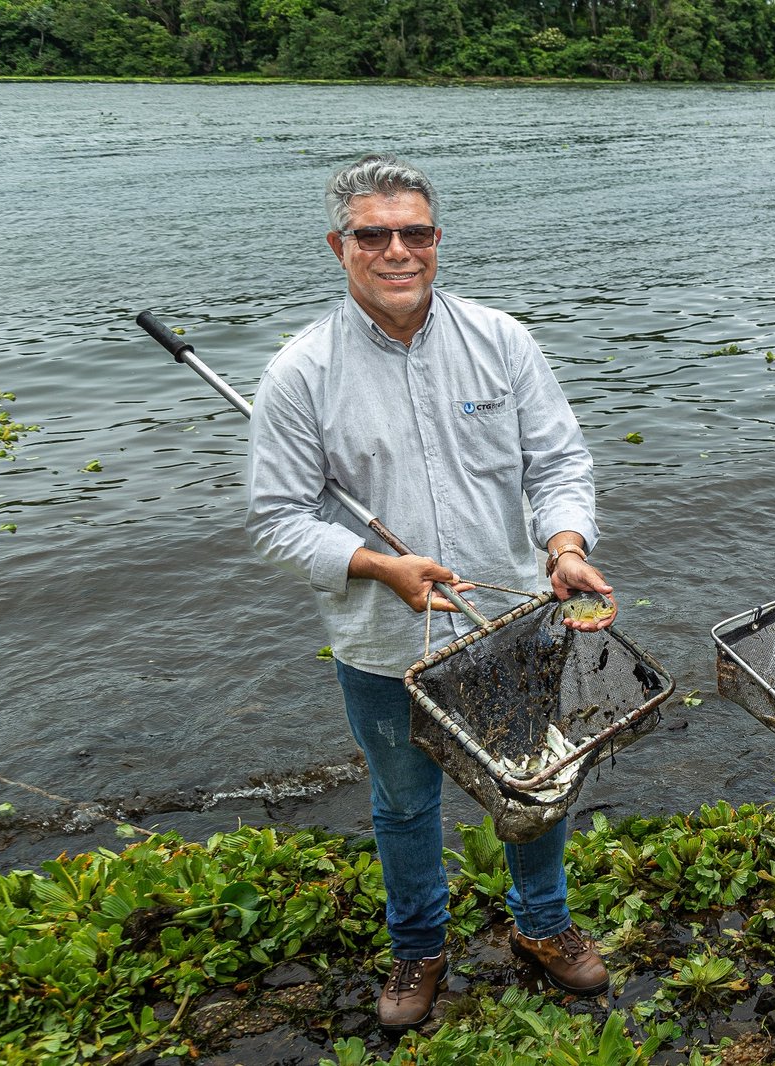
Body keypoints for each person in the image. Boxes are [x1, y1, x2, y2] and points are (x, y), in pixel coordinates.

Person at [246, 153, 617, 1029]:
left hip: (513, 622)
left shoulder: (501, 339)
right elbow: (278, 518)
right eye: (372, 235)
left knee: (535, 782)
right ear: (339, 246)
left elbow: (559, 463)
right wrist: (381, 567)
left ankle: (544, 924)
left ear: (437, 241)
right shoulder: (300, 372)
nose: (396, 251)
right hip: (381, 641)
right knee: (406, 802)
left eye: (414, 232)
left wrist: (564, 545)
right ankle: (418, 947)